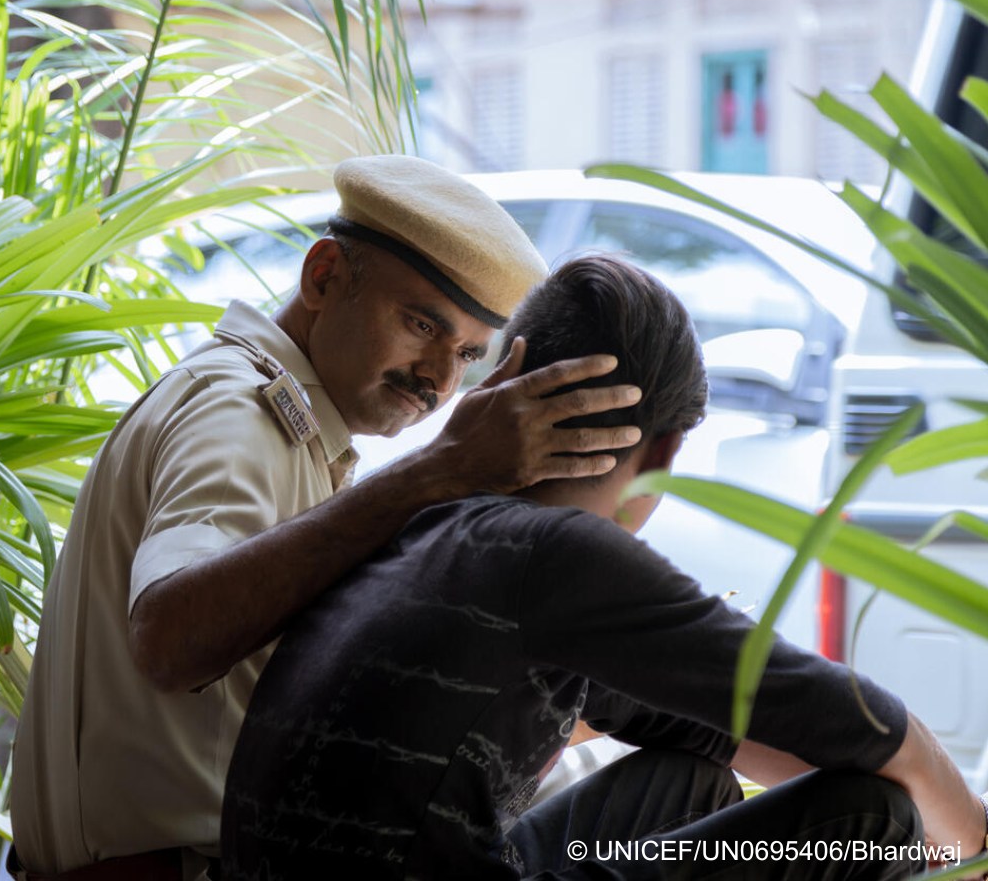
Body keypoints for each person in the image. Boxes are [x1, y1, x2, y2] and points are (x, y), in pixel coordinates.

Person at [221, 253, 988, 881]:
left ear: (505, 381)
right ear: (665, 453)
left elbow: (723, 732)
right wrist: (971, 853)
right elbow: (870, 727)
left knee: (691, 780)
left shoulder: (431, 521)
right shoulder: (556, 555)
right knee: (871, 824)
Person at [8, 156, 645, 881]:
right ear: (322, 277)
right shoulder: (243, 414)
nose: (438, 379)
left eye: (467, 353)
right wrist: (439, 470)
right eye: (420, 324)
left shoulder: (295, 427)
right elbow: (169, 637)